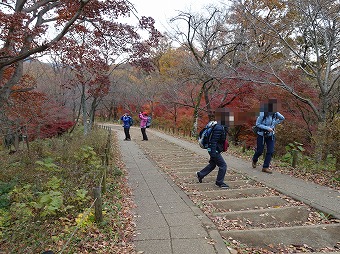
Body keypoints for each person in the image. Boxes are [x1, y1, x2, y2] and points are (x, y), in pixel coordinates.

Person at [252, 99, 285, 173]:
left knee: (270, 151)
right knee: (260, 151)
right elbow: (258, 124)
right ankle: (254, 159)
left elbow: (282, 118)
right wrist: (267, 128)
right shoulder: (263, 113)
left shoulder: (275, 113)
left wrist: (274, 124)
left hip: (271, 135)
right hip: (261, 134)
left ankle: (265, 167)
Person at [196, 120, 229, 189]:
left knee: (213, 164)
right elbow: (213, 141)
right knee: (223, 165)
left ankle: (201, 174)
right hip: (214, 150)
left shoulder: (220, 126)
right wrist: (213, 153)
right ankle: (219, 182)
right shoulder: (219, 128)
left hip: (213, 149)